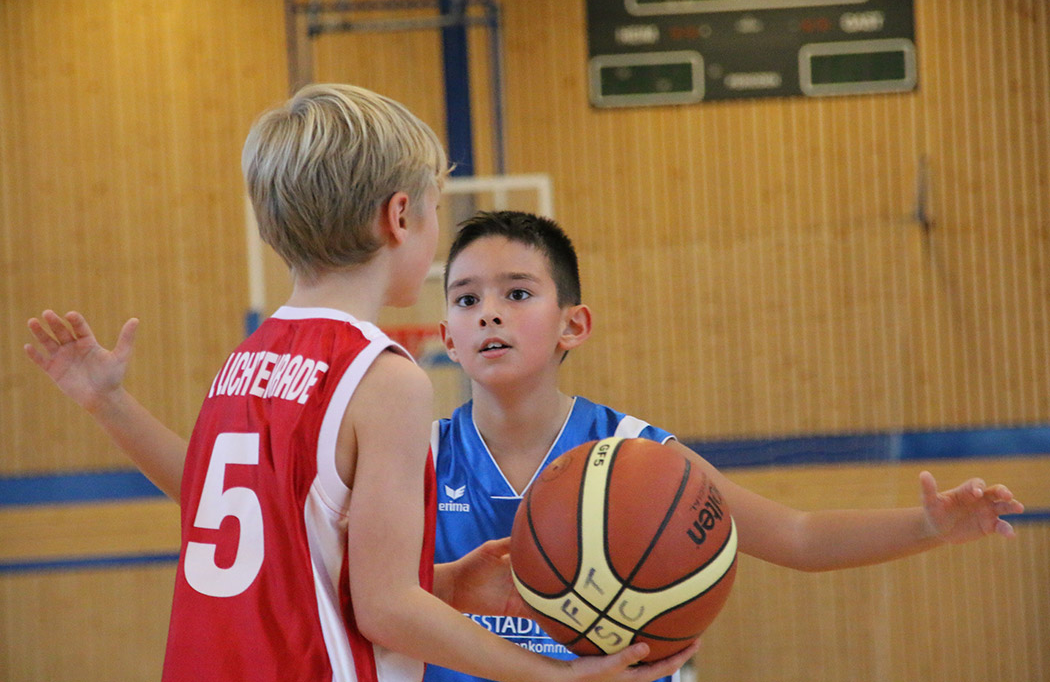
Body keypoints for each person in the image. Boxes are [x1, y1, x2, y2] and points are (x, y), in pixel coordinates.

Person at [26, 207, 1024, 679]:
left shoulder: (639, 461)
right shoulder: (408, 443)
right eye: (466, 298)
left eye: (517, 292)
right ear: (443, 332)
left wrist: (928, 527)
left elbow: (794, 535)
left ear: (572, 323)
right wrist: (112, 405)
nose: (490, 313)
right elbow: (230, 497)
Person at [24, 86, 697, 682]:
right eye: (435, 209)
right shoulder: (383, 378)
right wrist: (551, 677)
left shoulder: (248, 359)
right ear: (400, 216)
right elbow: (385, 610)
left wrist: (110, 404)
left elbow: (230, 510)